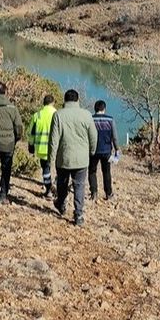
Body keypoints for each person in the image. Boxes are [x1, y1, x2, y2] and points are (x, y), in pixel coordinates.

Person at [48, 88, 97, 226]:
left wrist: (51, 159)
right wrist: (92, 151)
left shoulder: (58, 115)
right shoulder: (86, 115)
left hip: (63, 157)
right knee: (79, 186)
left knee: (62, 184)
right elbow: (93, 136)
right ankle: (79, 214)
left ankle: (61, 204)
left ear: (65, 100)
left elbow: (54, 139)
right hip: (81, 159)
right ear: (77, 100)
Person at [27, 94, 58, 199]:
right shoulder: (57, 114)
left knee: (45, 169)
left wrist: (31, 145)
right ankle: (58, 187)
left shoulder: (37, 115)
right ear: (53, 103)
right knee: (60, 168)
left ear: (43, 103)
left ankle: (48, 189)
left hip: (42, 148)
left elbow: (31, 132)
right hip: (56, 148)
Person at [88, 100, 119, 201]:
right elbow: (114, 137)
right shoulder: (110, 120)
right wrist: (117, 149)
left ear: (95, 109)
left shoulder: (90, 119)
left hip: (93, 150)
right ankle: (108, 194)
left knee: (92, 171)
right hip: (106, 151)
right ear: (104, 109)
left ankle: (94, 193)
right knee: (106, 172)